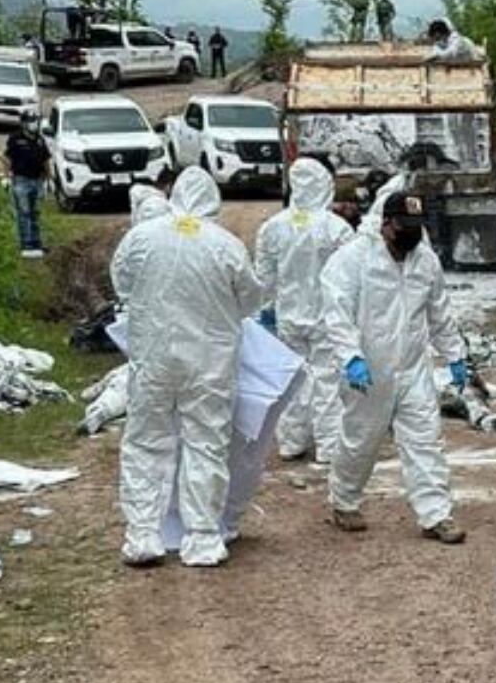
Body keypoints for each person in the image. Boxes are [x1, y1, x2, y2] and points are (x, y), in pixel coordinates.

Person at [110, 168, 261, 567]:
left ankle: (143, 534)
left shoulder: (140, 238)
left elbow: (122, 285)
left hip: (154, 356)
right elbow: (249, 299)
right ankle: (203, 538)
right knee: (206, 442)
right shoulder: (226, 245)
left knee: (145, 440)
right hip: (209, 361)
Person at [319, 191, 468, 544]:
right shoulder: (353, 260)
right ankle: (344, 501)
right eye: (405, 226)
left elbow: (439, 314)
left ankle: (437, 514)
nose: (411, 235)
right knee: (361, 441)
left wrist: (455, 354)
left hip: (413, 368)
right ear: (386, 225)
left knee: (425, 439)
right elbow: (336, 313)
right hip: (369, 370)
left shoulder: (425, 262)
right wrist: (351, 357)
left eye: (417, 227)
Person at [254, 158, 359, 462]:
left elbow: (263, 276)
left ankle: (291, 441)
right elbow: (351, 276)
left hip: (288, 316)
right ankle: (328, 446)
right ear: (325, 185)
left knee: (292, 380)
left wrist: (266, 309)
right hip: (327, 317)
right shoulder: (336, 228)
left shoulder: (272, 228)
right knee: (328, 380)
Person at [3, 114, 50, 258]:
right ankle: (26, 244)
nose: (34, 124)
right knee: (24, 212)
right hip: (21, 180)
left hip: (37, 180)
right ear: (24, 123)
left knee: (35, 212)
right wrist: (6, 176)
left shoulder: (40, 140)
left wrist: (49, 180)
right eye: (31, 121)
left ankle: (36, 242)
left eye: (35, 121)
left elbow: (45, 161)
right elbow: (6, 159)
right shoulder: (15, 139)